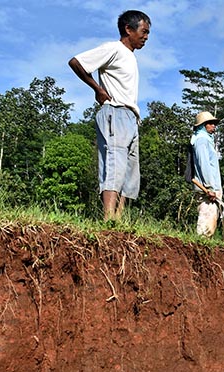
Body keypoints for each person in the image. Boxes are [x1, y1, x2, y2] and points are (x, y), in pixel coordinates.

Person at [68, 10, 151, 221]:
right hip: (115, 112)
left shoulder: (130, 57)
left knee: (129, 173)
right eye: (143, 31)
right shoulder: (113, 49)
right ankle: (108, 220)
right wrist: (97, 89)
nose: (146, 37)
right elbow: (76, 62)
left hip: (131, 116)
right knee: (115, 164)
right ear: (128, 29)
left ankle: (118, 221)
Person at [191, 111, 223, 237]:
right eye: (210, 123)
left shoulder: (206, 140)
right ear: (203, 125)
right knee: (205, 224)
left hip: (212, 188)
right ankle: (199, 249)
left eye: (214, 123)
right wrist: (209, 187)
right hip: (207, 189)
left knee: (210, 223)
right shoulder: (202, 140)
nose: (214, 125)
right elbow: (204, 165)